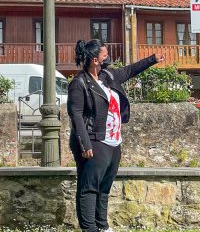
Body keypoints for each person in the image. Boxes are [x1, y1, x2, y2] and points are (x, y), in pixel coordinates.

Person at [67, 39, 164, 232]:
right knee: (89, 188)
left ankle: (103, 226)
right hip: (95, 140)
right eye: (104, 54)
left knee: (104, 187)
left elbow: (129, 70)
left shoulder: (107, 76)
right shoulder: (80, 83)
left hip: (113, 141)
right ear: (95, 60)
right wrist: (85, 144)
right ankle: (90, 228)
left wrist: (152, 59)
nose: (107, 56)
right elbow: (76, 115)